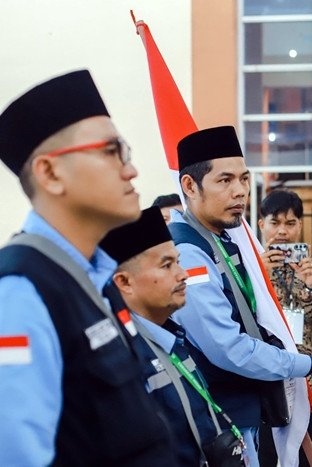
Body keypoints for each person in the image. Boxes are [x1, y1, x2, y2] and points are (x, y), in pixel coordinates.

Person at [0, 70, 175, 465]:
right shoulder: (21, 289)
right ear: (50, 173)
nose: (131, 170)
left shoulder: (95, 277)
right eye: (112, 151)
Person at [167, 125, 312, 466]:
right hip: (218, 419)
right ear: (190, 186)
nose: (240, 191)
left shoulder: (222, 241)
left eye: (244, 179)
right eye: (225, 180)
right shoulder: (190, 253)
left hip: (248, 408)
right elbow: (230, 348)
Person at [101, 206, 230, 467]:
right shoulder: (123, 357)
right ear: (124, 282)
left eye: (178, 262)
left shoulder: (173, 336)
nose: (183, 274)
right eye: (167, 265)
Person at [257, 189, 312, 466]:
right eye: (275, 222)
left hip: (311, 383)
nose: (282, 231)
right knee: (264, 459)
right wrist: (260, 275)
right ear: (261, 224)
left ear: (300, 225)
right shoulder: (250, 268)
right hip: (266, 383)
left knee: (309, 458)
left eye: (290, 223)